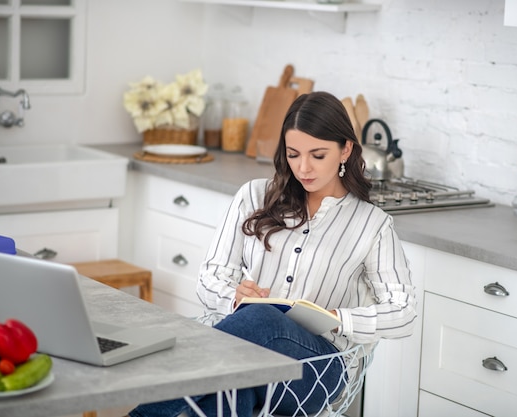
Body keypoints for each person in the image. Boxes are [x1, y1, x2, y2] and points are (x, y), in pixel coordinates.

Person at [128, 91, 417, 417]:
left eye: (317, 155)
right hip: (241, 347)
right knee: (233, 377)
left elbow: (403, 311)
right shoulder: (253, 195)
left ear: (345, 150)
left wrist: (338, 319)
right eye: (293, 154)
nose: (303, 168)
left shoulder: (371, 224)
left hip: (315, 370)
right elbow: (210, 277)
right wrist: (234, 298)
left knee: (258, 323)